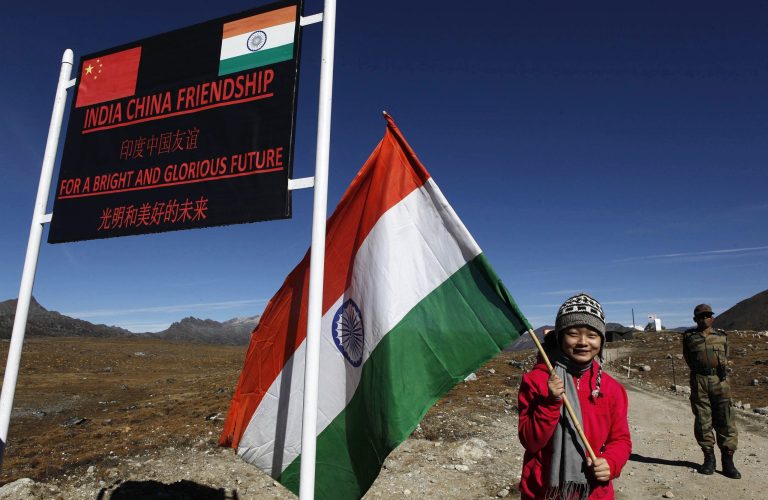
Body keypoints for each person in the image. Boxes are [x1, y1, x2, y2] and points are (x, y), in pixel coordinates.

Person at [518, 293, 631, 499]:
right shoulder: (536, 380)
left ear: (602, 340)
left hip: (594, 492)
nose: (582, 342)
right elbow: (530, 441)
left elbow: (620, 439)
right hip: (542, 491)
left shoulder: (612, 388)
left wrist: (611, 463)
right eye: (573, 333)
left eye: (592, 335)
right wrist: (550, 402)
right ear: (560, 337)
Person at [682, 304, 740, 479]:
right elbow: (688, 358)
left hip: (720, 382)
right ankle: (709, 458)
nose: (705, 318)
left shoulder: (721, 336)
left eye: (708, 315)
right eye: (701, 316)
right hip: (700, 381)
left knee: (726, 419)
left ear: (712, 318)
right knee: (702, 419)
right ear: (695, 319)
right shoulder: (689, 337)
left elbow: (726, 356)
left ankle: (728, 461)